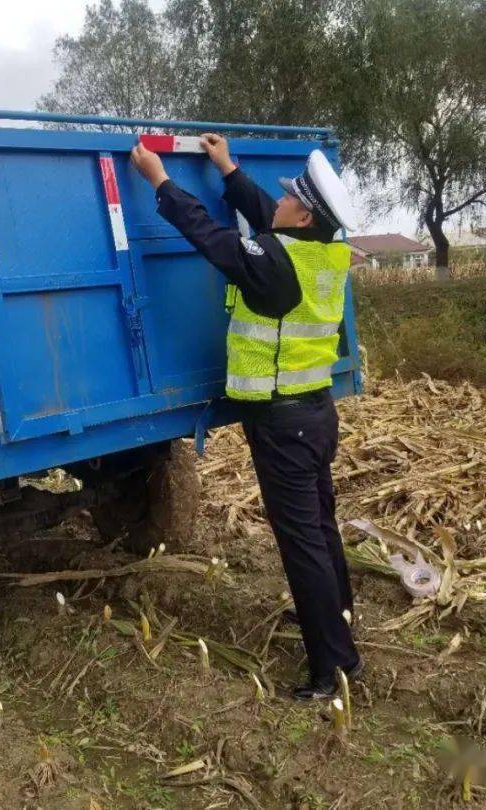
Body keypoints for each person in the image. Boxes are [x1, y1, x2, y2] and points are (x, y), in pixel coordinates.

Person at [130, 134, 361, 700]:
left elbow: (212, 239)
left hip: (284, 425)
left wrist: (160, 180)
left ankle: (332, 670)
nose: (276, 202)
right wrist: (228, 169)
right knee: (320, 530)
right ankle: (339, 621)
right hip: (315, 415)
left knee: (301, 542)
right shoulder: (324, 252)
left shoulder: (278, 264)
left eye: (287, 199)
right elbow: (268, 220)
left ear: (303, 214)